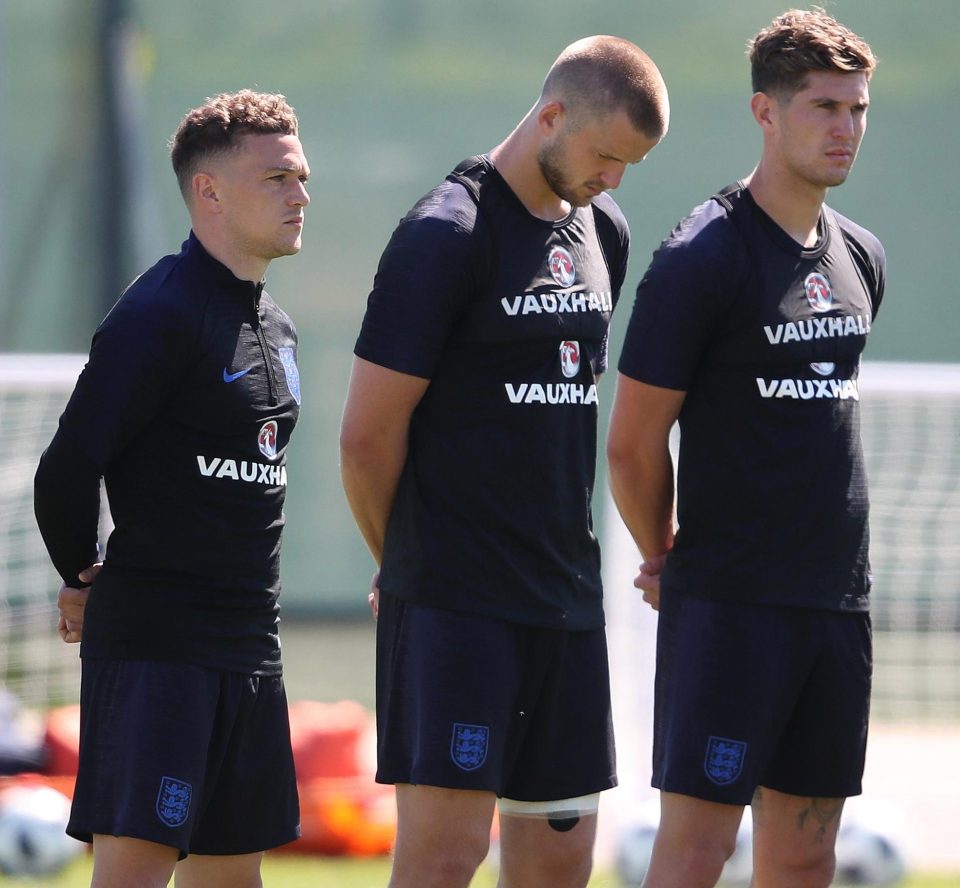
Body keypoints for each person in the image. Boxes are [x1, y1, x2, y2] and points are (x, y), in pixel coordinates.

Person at [339, 35, 669, 888]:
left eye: (629, 164)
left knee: (562, 860)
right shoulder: (444, 234)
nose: (614, 179)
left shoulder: (606, 230)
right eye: (605, 155)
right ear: (551, 115)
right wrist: (407, 562)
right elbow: (366, 440)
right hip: (457, 607)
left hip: (565, 603)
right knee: (447, 857)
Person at [606, 9, 883, 888]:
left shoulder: (860, 255)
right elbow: (632, 443)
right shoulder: (701, 257)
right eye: (823, 108)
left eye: (858, 109)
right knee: (696, 851)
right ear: (766, 113)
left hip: (836, 603)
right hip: (732, 606)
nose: (845, 129)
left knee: (804, 853)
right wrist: (665, 555)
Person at [34, 90, 310, 888]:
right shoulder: (159, 312)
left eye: (301, 178)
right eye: (277, 179)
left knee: (231, 878)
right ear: (210, 192)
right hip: (160, 651)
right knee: (133, 871)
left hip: (251, 648)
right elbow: (67, 465)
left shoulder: (278, 327)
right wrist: (78, 575)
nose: (300, 195)